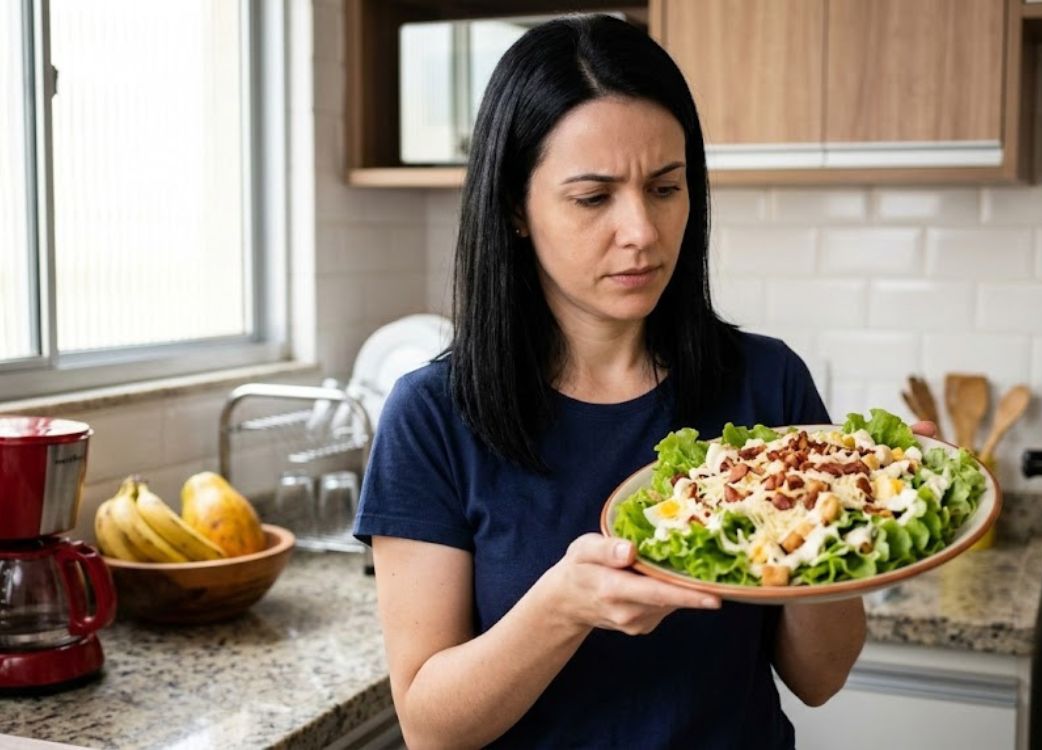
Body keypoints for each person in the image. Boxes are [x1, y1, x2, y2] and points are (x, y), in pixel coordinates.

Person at [354, 14, 933, 749]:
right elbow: (431, 729)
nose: (643, 232)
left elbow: (820, 680)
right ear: (514, 208)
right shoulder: (432, 416)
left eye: (665, 188)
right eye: (593, 198)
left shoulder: (767, 381)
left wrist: (843, 512)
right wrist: (563, 608)